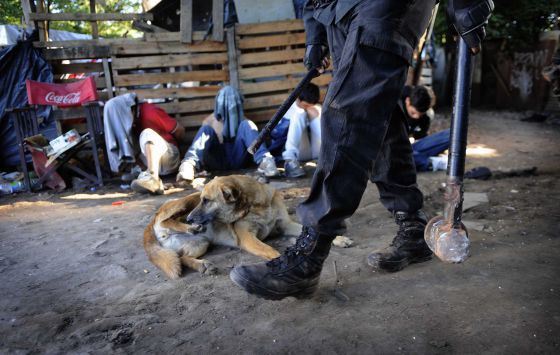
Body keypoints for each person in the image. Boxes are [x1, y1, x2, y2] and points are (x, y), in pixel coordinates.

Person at [230, 0, 494, 300]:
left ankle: (309, 254)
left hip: (383, 7)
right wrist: (316, 32)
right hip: (336, 10)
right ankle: (412, 226)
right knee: (378, 113)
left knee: (349, 112)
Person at [176, 86, 279, 182]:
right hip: (217, 160)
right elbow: (202, 147)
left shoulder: (244, 123)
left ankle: (266, 160)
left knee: (247, 124)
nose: (228, 106)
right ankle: (189, 165)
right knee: (206, 129)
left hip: (238, 158)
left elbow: (251, 143)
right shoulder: (209, 121)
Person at [130, 97, 186, 194]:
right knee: (129, 141)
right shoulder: (126, 124)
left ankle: (152, 178)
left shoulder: (150, 111)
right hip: (152, 165)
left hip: (169, 156)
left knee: (147, 133)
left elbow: (180, 131)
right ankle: (149, 178)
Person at [400, 85, 451, 172]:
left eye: (420, 115)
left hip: (408, 150)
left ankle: (418, 159)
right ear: (407, 101)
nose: (416, 117)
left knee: (453, 134)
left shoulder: (426, 116)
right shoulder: (393, 106)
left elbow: (421, 139)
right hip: (389, 150)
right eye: (413, 113)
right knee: (392, 158)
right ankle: (430, 162)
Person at [281, 83, 322, 178]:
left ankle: (332, 152)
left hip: (318, 152)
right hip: (298, 152)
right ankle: (289, 160)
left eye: (309, 106)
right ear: (298, 99)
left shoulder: (313, 108)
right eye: (305, 105)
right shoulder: (288, 108)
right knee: (299, 113)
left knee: (316, 110)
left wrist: (314, 112)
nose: (307, 108)